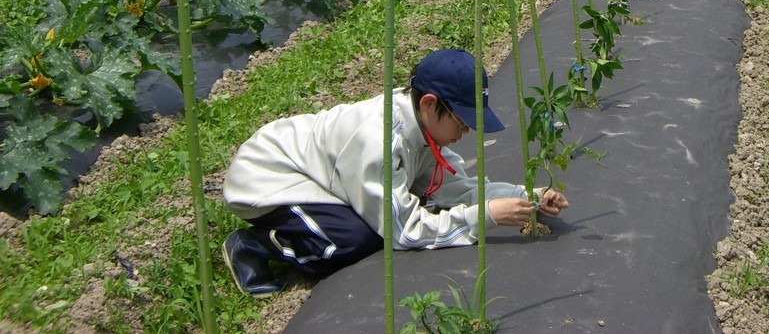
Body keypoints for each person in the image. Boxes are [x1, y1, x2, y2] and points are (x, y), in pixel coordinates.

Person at [221, 48, 570, 296]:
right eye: (463, 121)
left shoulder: (421, 130)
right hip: (269, 177)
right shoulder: (381, 141)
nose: (466, 132)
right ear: (430, 104)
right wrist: (487, 218)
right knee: (357, 240)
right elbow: (405, 232)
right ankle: (253, 245)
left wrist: (527, 198)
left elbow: (454, 190)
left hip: (315, 172)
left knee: (399, 209)